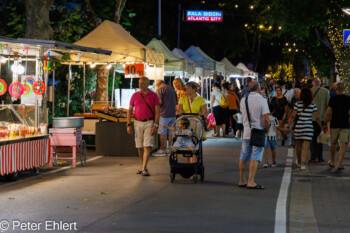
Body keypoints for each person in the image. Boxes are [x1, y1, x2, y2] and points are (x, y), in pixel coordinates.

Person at [238, 81, 270, 189]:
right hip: (258, 131)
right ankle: (251, 181)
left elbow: (243, 114)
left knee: (244, 157)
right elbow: (266, 119)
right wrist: (267, 129)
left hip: (246, 132)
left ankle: (242, 180)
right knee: (255, 156)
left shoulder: (243, 100)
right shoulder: (262, 100)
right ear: (259, 89)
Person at [127, 77, 160, 176]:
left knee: (147, 145)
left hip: (149, 122)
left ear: (148, 84)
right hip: (137, 122)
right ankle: (143, 166)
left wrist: (155, 124)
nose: (140, 85)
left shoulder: (154, 95)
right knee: (139, 146)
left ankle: (144, 168)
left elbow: (157, 112)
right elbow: (129, 111)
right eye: (139, 83)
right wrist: (128, 124)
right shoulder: (135, 95)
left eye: (143, 83)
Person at [285, 87, 324, 170]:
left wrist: (288, 126)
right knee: (306, 146)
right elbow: (317, 118)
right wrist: (321, 127)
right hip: (308, 127)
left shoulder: (297, 104)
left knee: (298, 145)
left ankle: (299, 160)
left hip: (298, 127)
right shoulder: (313, 105)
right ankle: (303, 164)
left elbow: (292, 116)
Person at [177, 82, 208, 163]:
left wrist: (202, 114)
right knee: (186, 143)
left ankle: (192, 164)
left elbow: (205, 112)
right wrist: (179, 112)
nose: (186, 90)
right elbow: (179, 110)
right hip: (185, 124)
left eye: (188, 88)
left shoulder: (201, 99)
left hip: (196, 124)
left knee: (194, 142)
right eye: (186, 88)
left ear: (194, 89)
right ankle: (188, 165)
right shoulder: (182, 99)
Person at [324, 83, 350, 170]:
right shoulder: (348, 99)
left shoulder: (333, 99)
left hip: (334, 123)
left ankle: (332, 161)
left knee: (333, 143)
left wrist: (325, 122)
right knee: (343, 144)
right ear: (344, 89)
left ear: (336, 90)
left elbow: (328, 112)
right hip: (345, 124)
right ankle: (339, 164)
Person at [153, 79, 177, 156]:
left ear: (158, 84)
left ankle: (162, 149)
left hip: (164, 114)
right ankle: (170, 148)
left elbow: (159, 102)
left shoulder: (159, 89)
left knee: (162, 132)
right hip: (173, 113)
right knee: (170, 132)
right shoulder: (172, 89)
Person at [310, 79, 329, 163]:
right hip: (322, 117)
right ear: (320, 84)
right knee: (320, 138)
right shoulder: (326, 91)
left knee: (313, 138)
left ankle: (313, 157)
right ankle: (320, 157)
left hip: (311, 118)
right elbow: (327, 104)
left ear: (313, 84)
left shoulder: (310, 91)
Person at [263, 104, 281, 168]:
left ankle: (266, 162)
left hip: (265, 136)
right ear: (273, 111)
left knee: (266, 149)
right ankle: (273, 162)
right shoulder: (275, 119)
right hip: (273, 136)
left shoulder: (264, 118)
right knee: (273, 149)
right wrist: (278, 135)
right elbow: (277, 128)